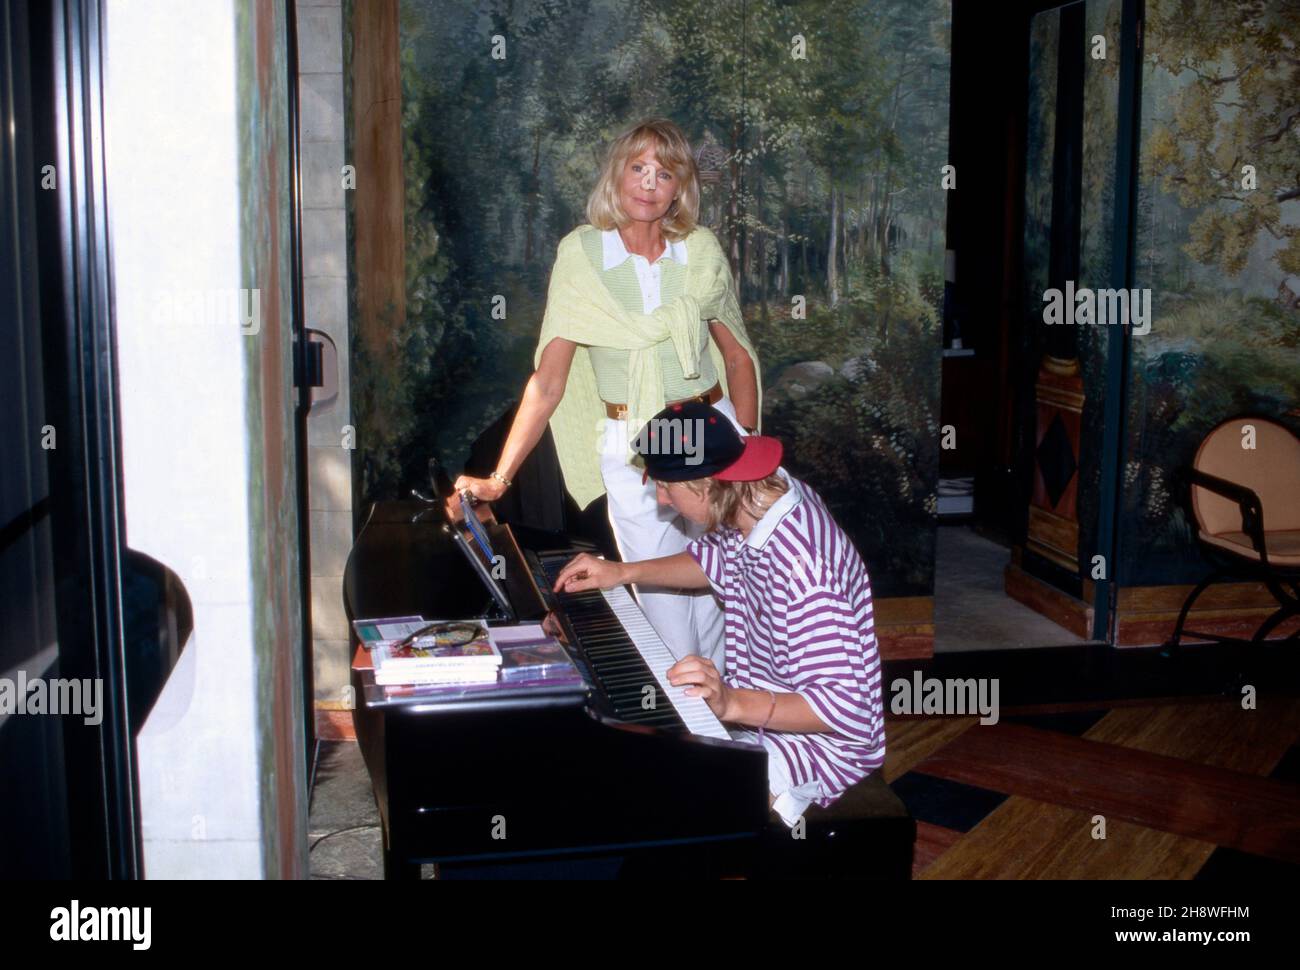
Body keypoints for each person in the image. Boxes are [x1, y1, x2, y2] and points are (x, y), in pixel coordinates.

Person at [454, 119, 761, 672]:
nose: (648, 183)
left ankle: (728, 733)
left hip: (711, 433)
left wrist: (749, 446)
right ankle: (691, 727)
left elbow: (737, 357)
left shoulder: (702, 249)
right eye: (637, 168)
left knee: (722, 589)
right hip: (634, 445)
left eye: (663, 173)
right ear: (616, 176)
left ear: (679, 188)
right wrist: (498, 479)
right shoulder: (581, 254)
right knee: (664, 599)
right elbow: (548, 383)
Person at [551, 402, 885, 827]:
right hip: (765, 715)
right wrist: (621, 572)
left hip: (818, 747)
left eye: (668, 486)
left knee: (665, 814)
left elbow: (843, 708)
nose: (660, 497)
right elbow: (713, 562)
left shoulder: (806, 571)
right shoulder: (752, 498)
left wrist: (729, 703)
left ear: (706, 485)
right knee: (636, 768)